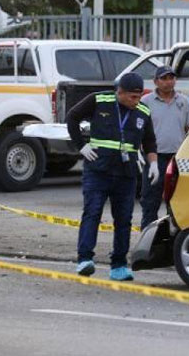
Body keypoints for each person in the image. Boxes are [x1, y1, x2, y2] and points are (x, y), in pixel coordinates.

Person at [66, 72, 159, 281]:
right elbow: (72, 117)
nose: (136, 101)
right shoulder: (99, 100)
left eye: (139, 96)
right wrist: (81, 145)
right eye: (132, 97)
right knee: (92, 212)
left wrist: (153, 164)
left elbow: (150, 141)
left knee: (124, 219)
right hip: (98, 170)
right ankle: (84, 259)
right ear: (120, 92)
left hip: (126, 175)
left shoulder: (143, 112)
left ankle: (118, 265)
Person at [139, 66, 189, 229]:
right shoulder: (146, 102)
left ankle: (173, 244)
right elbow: (138, 129)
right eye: (164, 78)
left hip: (176, 160)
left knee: (176, 203)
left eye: (171, 78)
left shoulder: (184, 101)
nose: (169, 82)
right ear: (156, 81)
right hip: (153, 158)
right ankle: (147, 244)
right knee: (150, 201)